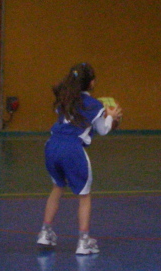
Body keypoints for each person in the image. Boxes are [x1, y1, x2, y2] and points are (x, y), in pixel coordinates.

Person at [37, 62, 123, 255]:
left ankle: (45, 231)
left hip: (51, 146)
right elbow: (103, 130)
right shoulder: (94, 105)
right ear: (91, 83)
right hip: (71, 149)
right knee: (84, 197)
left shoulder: (64, 99)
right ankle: (84, 241)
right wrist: (112, 117)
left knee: (57, 187)